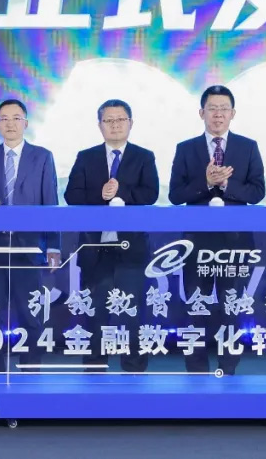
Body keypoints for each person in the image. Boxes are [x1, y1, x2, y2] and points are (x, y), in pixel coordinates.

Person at [169, 85, 265, 374]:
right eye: (212, 108)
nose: (218, 114)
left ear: (233, 113)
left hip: (235, 244)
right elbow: (175, 195)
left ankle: (228, 370)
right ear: (202, 113)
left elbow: (258, 192)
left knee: (231, 309)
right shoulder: (185, 148)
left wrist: (226, 184)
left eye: (224, 108)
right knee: (195, 309)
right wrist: (206, 183)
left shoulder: (248, 147)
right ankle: (196, 371)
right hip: (195, 244)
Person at [0, 99, 61, 374]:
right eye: (4, 118)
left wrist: (54, 246)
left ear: (26, 123)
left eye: (16, 118)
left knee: (30, 318)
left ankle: (30, 375)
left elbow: (50, 203)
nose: (10, 124)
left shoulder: (42, 157)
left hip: (27, 249)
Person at [64, 99, 158, 372]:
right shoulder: (86, 157)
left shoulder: (144, 156)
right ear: (100, 125)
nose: (115, 125)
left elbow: (150, 194)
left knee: (132, 315)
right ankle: (94, 373)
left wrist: (121, 193)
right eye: (109, 120)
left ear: (130, 123)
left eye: (120, 120)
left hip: (131, 250)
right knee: (95, 315)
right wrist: (100, 194)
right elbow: (71, 195)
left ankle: (134, 373)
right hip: (96, 251)